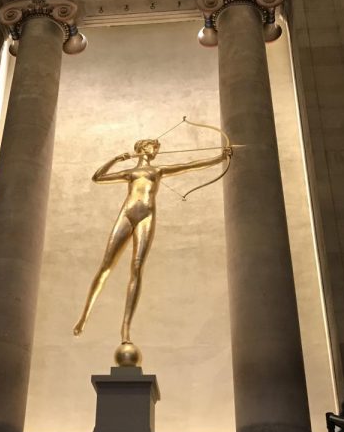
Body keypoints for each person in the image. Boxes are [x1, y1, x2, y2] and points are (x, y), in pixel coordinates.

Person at [73, 137, 231, 344]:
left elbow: (189, 165)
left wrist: (219, 158)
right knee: (106, 266)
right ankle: (84, 316)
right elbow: (97, 177)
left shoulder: (158, 171)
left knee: (137, 267)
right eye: (151, 146)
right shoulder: (131, 172)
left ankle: (125, 329)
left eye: (156, 148)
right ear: (140, 148)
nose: (155, 150)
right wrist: (115, 159)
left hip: (146, 215)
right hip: (127, 214)